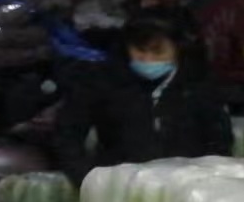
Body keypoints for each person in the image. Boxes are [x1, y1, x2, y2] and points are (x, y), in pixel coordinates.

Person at [54, 12, 233, 187]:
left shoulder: (198, 85)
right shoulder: (103, 81)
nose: (148, 59)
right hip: (119, 186)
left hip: (186, 187)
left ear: (179, 48)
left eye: (158, 51)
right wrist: (88, 179)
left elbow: (219, 141)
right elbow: (67, 133)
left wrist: (206, 181)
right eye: (139, 51)